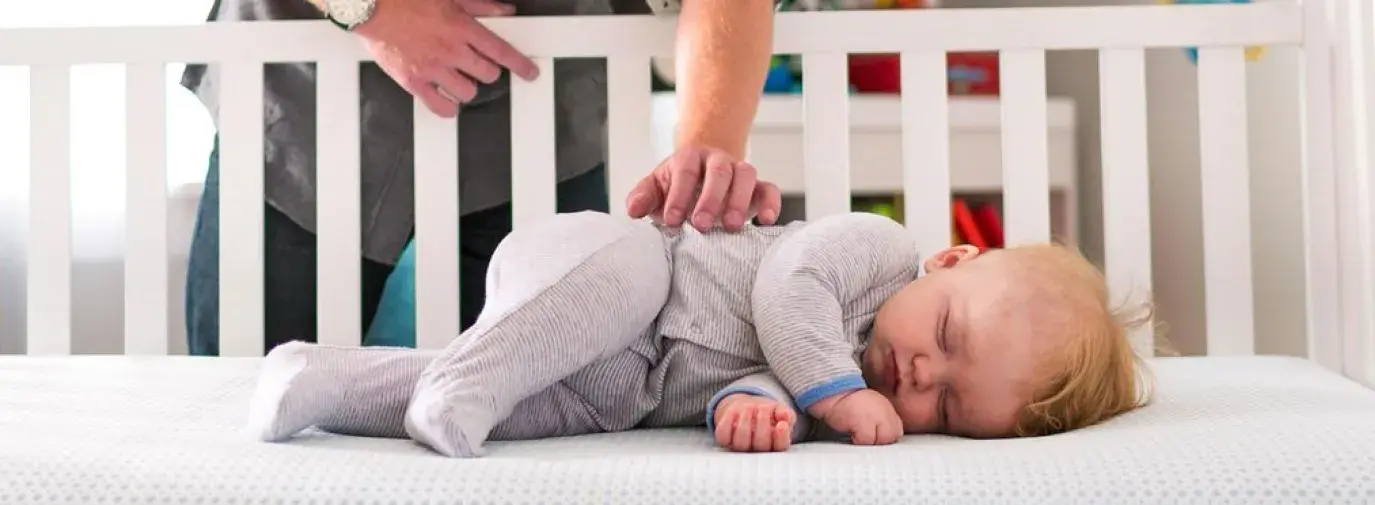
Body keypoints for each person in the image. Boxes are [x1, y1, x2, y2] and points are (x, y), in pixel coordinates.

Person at [244, 211, 1152, 456]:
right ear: (953, 262)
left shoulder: (831, 395)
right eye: (946, 335)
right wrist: (832, 392)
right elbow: (783, 288)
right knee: (592, 304)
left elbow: (755, 378)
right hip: (623, 266)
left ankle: (313, 384)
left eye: (947, 406)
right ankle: (464, 382)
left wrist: (756, 410)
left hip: (625, 385)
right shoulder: (878, 253)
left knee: (538, 407)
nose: (920, 372)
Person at [180, 0, 784, 356]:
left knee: (543, 410)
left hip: (538, 114)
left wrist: (709, 146)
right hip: (304, 97)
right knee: (246, 401)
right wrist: (371, 9)